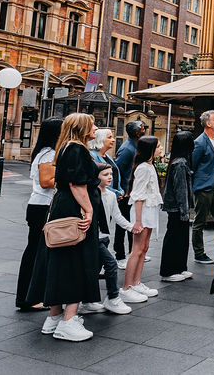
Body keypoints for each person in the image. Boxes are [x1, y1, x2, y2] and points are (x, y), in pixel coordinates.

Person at [26, 112, 101, 341]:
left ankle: (54, 317)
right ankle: (68, 321)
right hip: (74, 209)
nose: (96, 128)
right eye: (93, 125)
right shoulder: (77, 149)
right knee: (77, 261)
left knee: (60, 259)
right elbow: (77, 184)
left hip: (62, 207)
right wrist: (88, 210)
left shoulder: (65, 147)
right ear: (82, 128)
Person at [15, 117, 63, 311]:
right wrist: (68, 178)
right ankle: (27, 298)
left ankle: (32, 295)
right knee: (35, 253)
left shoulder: (46, 152)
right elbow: (45, 182)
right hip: (41, 206)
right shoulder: (47, 154)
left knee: (37, 252)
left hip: (40, 206)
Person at [79, 162, 133, 316]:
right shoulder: (91, 194)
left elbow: (117, 216)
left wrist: (131, 227)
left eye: (111, 174)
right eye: (105, 174)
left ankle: (88, 302)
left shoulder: (110, 195)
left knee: (94, 270)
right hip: (93, 238)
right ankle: (113, 297)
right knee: (111, 264)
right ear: (96, 177)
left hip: (104, 238)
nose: (110, 177)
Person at [120, 135, 162, 303]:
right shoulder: (143, 168)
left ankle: (136, 282)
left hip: (150, 209)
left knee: (144, 248)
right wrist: (137, 221)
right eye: (158, 146)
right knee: (137, 249)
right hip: (142, 212)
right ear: (150, 149)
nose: (160, 148)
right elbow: (138, 196)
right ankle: (126, 287)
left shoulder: (150, 166)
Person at [191, 110, 214, 265]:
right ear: (208, 123)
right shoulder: (199, 142)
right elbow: (193, 164)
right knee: (200, 221)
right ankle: (199, 253)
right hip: (204, 187)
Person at [161, 131, 195, 282]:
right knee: (175, 238)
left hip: (177, 207)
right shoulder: (180, 163)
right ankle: (169, 270)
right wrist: (184, 210)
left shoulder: (178, 161)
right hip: (177, 208)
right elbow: (180, 189)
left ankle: (179, 267)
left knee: (180, 238)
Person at [113, 120, 146, 268]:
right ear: (137, 132)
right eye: (142, 128)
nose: (145, 129)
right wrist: (121, 189)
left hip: (132, 191)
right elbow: (117, 170)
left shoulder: (136, 145)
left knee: (132, 222)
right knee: (123, 224)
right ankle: (119, 255)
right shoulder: (127, 149)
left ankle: (133, 251)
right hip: (125, 193)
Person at [89, 128, 121, 194]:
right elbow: (95, 179)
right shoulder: (92, 156)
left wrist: (120, 191)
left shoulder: (108, 156)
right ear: (100, 139)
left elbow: (115, 174)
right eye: (110, 137)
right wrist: (115, 193)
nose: (113, 140)